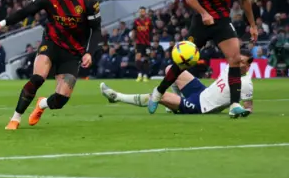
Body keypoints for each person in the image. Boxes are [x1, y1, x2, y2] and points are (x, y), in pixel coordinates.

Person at [148, 0, 257, 118]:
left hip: (222, 21)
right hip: (202, 22)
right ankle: (159, 91)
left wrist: (252, 25)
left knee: (235, 59)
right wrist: (204, 13)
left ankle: (235, 104)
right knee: (184, 61)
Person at [0, 0, 102, 130]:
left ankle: (42, 105)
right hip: (51, 44)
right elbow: (25, 11)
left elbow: (96, 29)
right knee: (37, 78)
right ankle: (15, 118)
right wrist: (2, 23)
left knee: (60, 100)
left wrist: (89, 53)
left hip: (73, 52)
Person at [101, 51, 254, 115]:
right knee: (171, 69)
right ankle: (177, 104)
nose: (238, 62)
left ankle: (117, 97)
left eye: (242, 62)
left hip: (201, 106)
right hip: (202, 92)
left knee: (159, 95)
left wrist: (245, 112)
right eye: (238, 59)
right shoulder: (230, 66)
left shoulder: (246, 83)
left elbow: (248, 107)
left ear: (248, 66)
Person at [132, 7, 152, 82]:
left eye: (143, 11)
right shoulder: (136, 21)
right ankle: (139, 74)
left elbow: (151, 31)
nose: (142, 12)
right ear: (139, 12)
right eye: (140, 11)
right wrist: (133, 41)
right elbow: (134, 31)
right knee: (138, 58)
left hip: (147, 43)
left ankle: (145, 75)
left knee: (146, 59)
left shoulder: (149, 21)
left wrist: (151, 41)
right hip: (139, 43)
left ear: (145, 12)